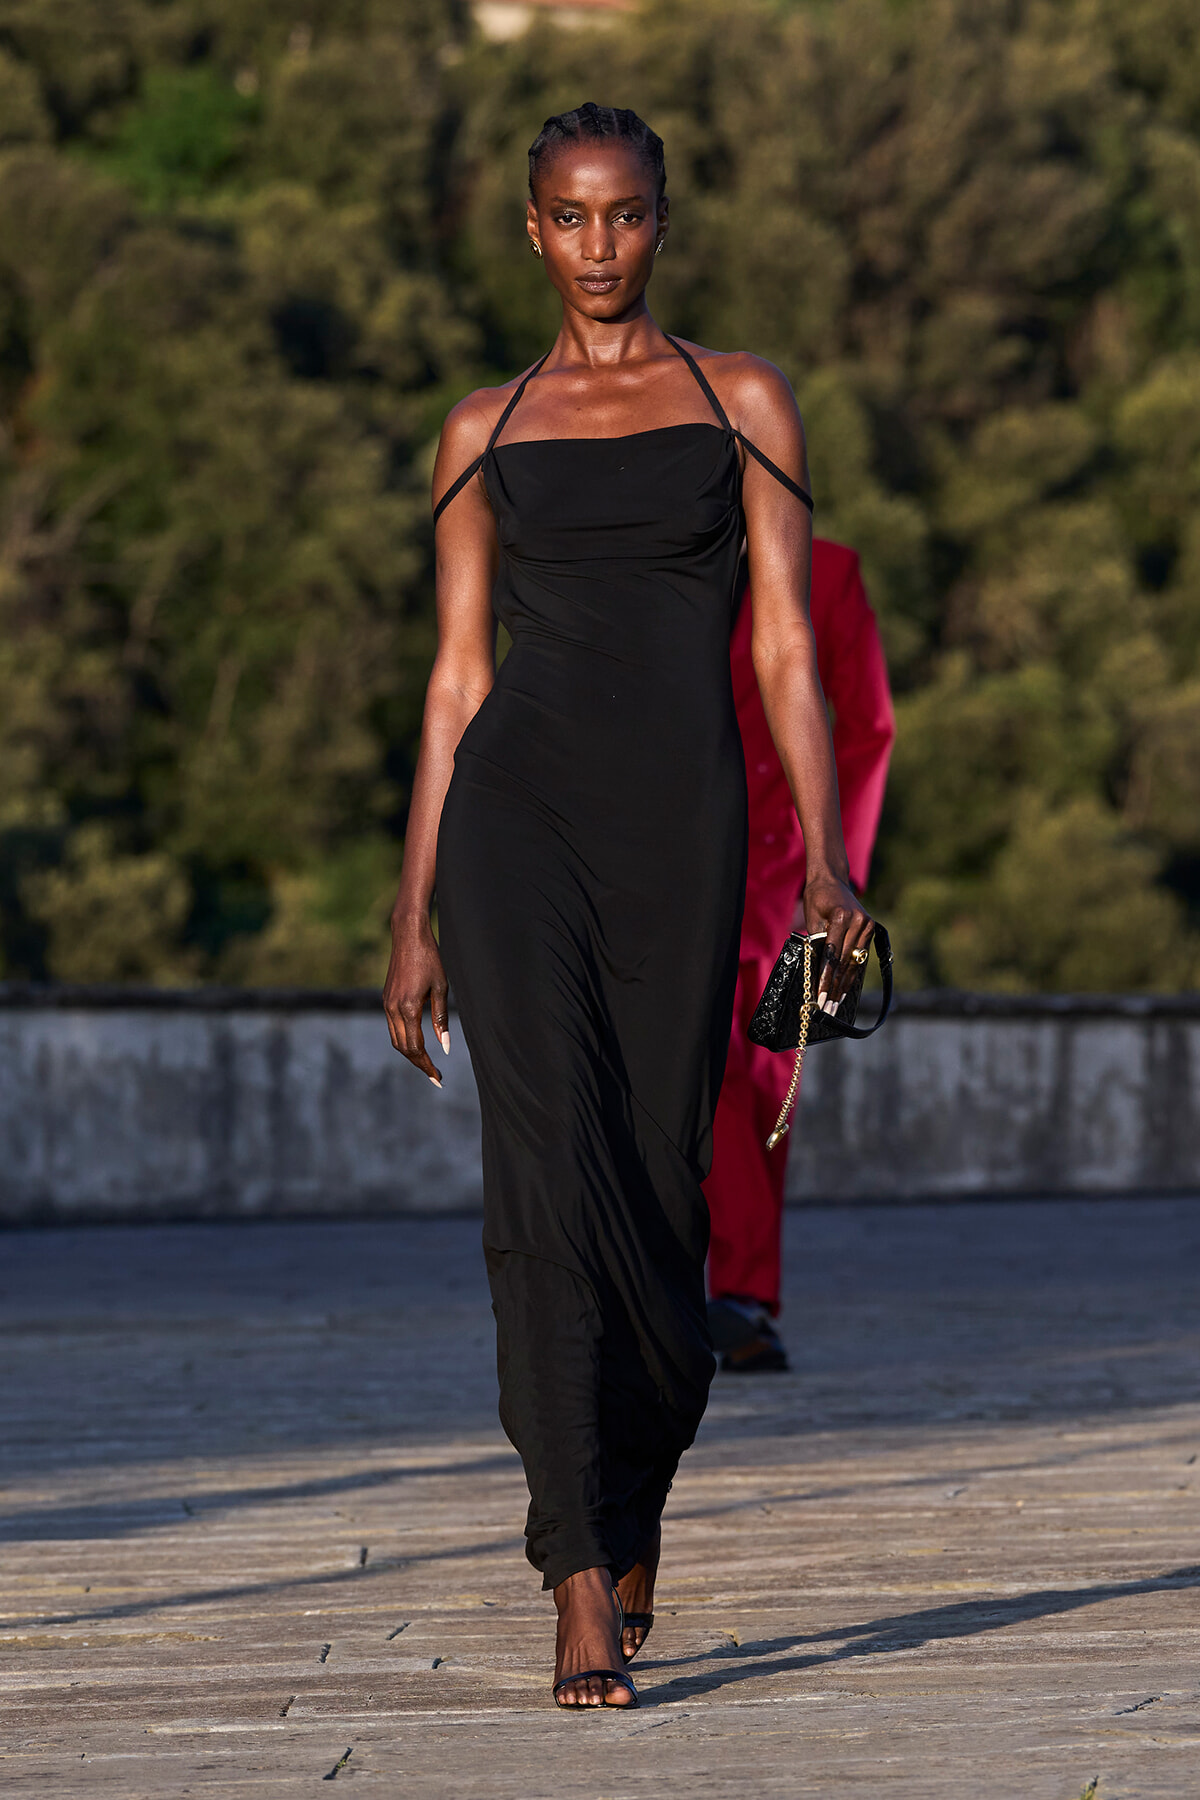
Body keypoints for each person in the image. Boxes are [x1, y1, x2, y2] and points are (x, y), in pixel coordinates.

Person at [382, 102, 873, 1712]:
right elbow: (459, 678)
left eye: (628, 216)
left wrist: (828, 861)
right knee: (540, 1184)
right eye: (572, 219)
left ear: (665, 219)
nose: (601, 248)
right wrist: (414, 911)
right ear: (532, 229)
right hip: (515, 826)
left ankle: (634, 1493)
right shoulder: (482, 427)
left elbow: (791, 649)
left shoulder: (743, 404)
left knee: (664, 1201)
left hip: (687, 829)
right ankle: (578, 1567)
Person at [705, 545, 895, 1372]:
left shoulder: (831, 572)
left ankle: (740, 1294)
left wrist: (835, 873)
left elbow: (868, 726)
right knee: (718, 1072)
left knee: (759, 1074)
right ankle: (733, 1293)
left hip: (786, 867)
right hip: (661, 854)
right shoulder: (650, 551)